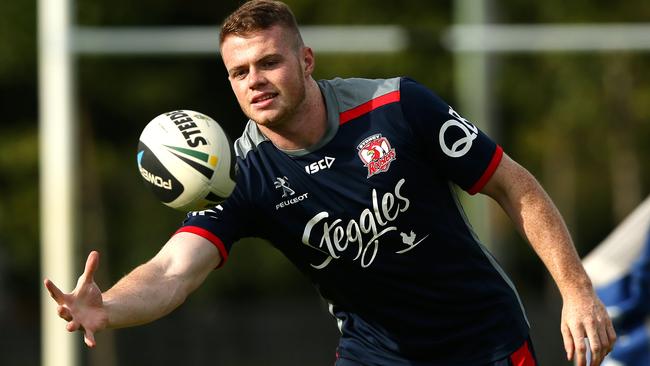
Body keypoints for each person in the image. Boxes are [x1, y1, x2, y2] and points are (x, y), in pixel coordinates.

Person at [44, 1, 616, 365]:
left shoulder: (396, 106)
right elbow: (172, 271)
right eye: (239, 73)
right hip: (376, 356)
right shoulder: (241, 175)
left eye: (269, 62)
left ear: (307, 59)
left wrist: (577, 290)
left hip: (484, 340)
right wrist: (110, 305)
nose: (255, 82)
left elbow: (514, 185)